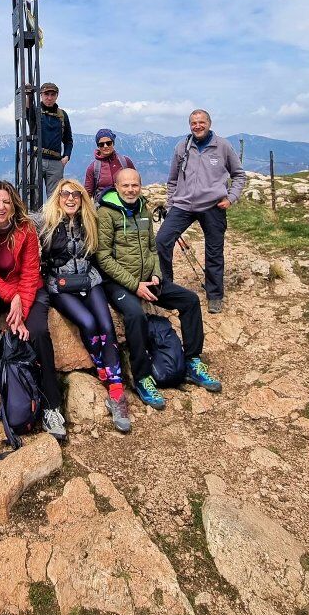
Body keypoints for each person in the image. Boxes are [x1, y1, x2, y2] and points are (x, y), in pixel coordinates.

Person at [96, 167, 221, 409]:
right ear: (117, 187)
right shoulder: (106, 213)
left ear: (140, 186)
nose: (131, 189)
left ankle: (193, 361)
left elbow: (153, 249)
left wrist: (156, 274)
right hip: (118, 283)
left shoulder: (142, 208)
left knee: (190, 300)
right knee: (135, 314)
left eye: (135, 185)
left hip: (148, 279)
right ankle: (142, 377)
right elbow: (103, 258)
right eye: (126, 186)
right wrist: (135, 285)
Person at [0, 179, 67, 441]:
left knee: (38, 333)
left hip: (28, 288)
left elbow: (31, 272)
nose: (0, 207)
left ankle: (52, 405)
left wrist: (22, 305)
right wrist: (13, 298)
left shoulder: (26, 229)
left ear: (14, 205)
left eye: (6, 202)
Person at [38, 178, 130, 434]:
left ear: (82, 199)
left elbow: (117, 206)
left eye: (75, 195)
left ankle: (116, 390)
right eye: (65, 194)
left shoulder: (90, 220)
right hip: (60, 284)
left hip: (90, 280)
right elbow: (15, 216)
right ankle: (99, 360)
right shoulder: (45, 222)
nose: (70, 199)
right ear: (57, 197)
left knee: (107, 326)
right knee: (88, 323)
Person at [157, 109, 246, 313]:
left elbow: (239, 175)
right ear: (190, 125)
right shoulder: (182, 146)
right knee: (162, 240)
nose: (198, 126)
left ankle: (215, 295)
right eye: (194, 123)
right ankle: (167, 288)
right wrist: (171, 205)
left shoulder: (222, 146)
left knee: (214, 251)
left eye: (201, 122)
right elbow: (172, 179)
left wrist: (231, 198)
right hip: (183, 205)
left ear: (209, 123)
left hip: (212, 206)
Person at [25, 82, 73, 197]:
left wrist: (66, 156)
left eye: (52, 94)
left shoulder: (62, 115)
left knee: (55, 197)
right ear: (41, 95)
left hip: (56, 161)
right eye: (46, 94)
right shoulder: (36, 111)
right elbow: (27, 111)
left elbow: (68, 139)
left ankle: (53, 216)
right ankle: (32, 215)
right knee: (32, 194)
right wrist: (29, 95)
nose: (49, 97)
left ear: (57, 96)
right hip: (35, 157)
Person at [83, 129, 135, 200]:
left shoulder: (125, 162)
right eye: (101, 144)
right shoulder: (93, 168)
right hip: (103, 205)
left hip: (126, 202)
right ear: (98, 146)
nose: (105, 146)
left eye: (108, 143)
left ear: (113, 143)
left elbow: (135, 181)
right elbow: (87, 193)